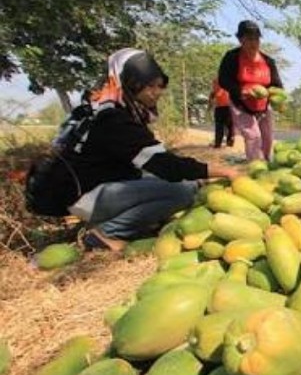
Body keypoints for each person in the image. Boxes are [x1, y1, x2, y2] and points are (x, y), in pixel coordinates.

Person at [28, 48, 239, 251]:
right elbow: (166, 166)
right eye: (150, 86)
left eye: (159, 86)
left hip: (94, 187)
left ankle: (118, 221)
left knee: (183, 183)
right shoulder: (112, 119)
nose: (157, 92)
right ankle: (107, 233)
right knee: (183, 191)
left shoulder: (111, 110)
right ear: (131, 83)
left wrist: (198, 175)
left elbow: (151, 159)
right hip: (84, 196)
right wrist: (224, 171)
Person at [218, 20, 284, 161]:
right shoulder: (232, 57)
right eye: (249, 39)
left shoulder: (268, 61)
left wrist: (277, 97)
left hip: (263, 106)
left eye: (256, 39)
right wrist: (241, 91)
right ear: (241, 40)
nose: (253, 43)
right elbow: (223, 80)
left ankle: (266, 166)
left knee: (267, 139)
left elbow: (277, 84)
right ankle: (256, 169)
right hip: (241, 105)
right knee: (253, 136)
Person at [208, 77, 234, 148]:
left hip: (224, 107)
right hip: (225, 108)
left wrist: (209, 105)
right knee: (227, 126)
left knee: (223, 126)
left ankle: (220, 143)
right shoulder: (228, 81)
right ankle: (226, 142)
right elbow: (212, 94)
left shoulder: (219, 81)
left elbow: (214, 94)